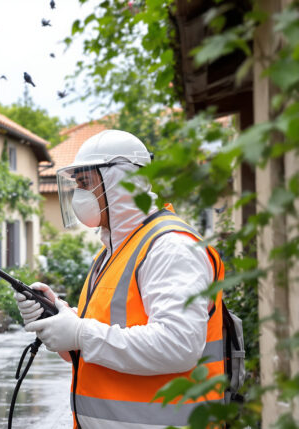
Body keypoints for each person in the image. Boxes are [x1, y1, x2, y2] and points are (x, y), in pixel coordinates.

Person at [15, 130, 226, 428]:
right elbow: (97, 344)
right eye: (76, 185)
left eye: (85, 183)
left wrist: (80, 333)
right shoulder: (111, 253)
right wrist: (59, 316)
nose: (79, 195)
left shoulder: (171, 247)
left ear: (119, 181)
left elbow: (179, 346)